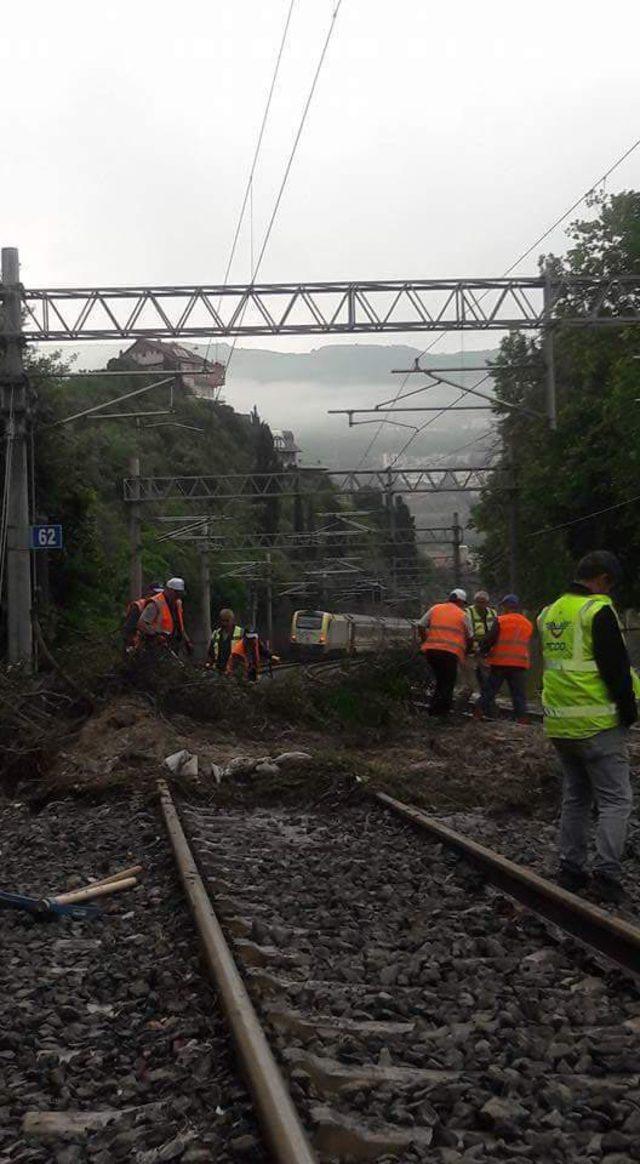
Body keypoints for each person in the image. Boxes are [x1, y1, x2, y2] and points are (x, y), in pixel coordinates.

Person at [538, 551, 637, 904]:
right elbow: (616, 670)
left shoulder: (549, 612)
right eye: (611, 586)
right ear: (603, 579)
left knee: (577, 796)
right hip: (597, 724)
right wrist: (629, 714)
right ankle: (607, 876)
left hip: (560, 724)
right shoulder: (597, 611)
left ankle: (571, 869)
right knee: (615, 800)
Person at [418, 589, 473, 718]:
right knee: (448, 684)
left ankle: (433, 712)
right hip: (450, 654)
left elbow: (421, 625)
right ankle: (442, 714)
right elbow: (470, 637)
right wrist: (467, 651)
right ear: (460, 601)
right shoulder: (463, 615)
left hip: (432, 652)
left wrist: (425, 641)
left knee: (440, 682)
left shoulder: (435, 608)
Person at [480, 594, 533, 721]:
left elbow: (489, 639)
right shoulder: (527, 623)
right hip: (519, 664)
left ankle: (478, 712)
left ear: (506, 607)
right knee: (518, 694)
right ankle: (521, 719)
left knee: (490, 691)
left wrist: (482, 652)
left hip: (500, 662)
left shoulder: (501, 620)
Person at [136, 577, 193, 654]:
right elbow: (142, 623)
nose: (178, 597)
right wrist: (155, 635)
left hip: (172, 645)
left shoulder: (177, 604)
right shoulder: (156, 603)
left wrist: (187, 641)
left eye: (179, 594)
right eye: (176, 593)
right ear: (170, 590)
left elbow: (180, 625)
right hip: (154, 646)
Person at [468, 590, 497, 705]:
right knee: (470, 683)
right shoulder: (468, 613)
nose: (481, 605)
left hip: (487, 652)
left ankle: (487, 705)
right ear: (475, 602)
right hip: (471, 652)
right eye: (479, 602)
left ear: (487, 602)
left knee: (487, 680)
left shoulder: (493, 613)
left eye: (483, 602)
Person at [122, 581, 163, 652]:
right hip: (136, 646)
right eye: (155, 593)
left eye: (160, 594)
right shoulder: (139, 606)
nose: (158, 596)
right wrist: (131, 644)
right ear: (149, 593)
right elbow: (128, 628)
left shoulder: (159, 608)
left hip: (151, 645)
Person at [208, 608, 244, 673]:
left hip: (235, 670)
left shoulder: (241, 633)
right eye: (222, 621)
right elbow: (211, 653)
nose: (224, 623)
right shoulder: (216, 634)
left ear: (232, 620)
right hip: (219, 669)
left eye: (227, 621)